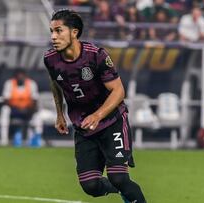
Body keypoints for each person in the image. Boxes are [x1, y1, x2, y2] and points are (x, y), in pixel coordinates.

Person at [44, 9, 146, 203]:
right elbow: (55, 82)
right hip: (84, 127)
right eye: (51, 31)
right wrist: (60, 114)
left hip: (112, 121)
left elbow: (118, 91)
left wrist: (98, 115)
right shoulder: (50, 59)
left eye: (58, 31)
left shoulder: (95, 55)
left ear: (74, 32)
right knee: (90, 186)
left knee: (119, 177)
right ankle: (121, 191)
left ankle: (125, 189)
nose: (53, 37)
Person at [0, 69, 43, 146]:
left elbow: (34, 100)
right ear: (15, 77)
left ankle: (37, 138)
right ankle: (4, 140)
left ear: (25, 76)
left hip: (28, 110)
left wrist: (29, 109)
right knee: (4, 110)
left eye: (22, 76)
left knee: (38, 114)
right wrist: (17, 107)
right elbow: (6, 100)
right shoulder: (9, 83)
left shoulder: (31, 84)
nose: (20, 78)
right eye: (18, 76)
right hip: (14, 109)